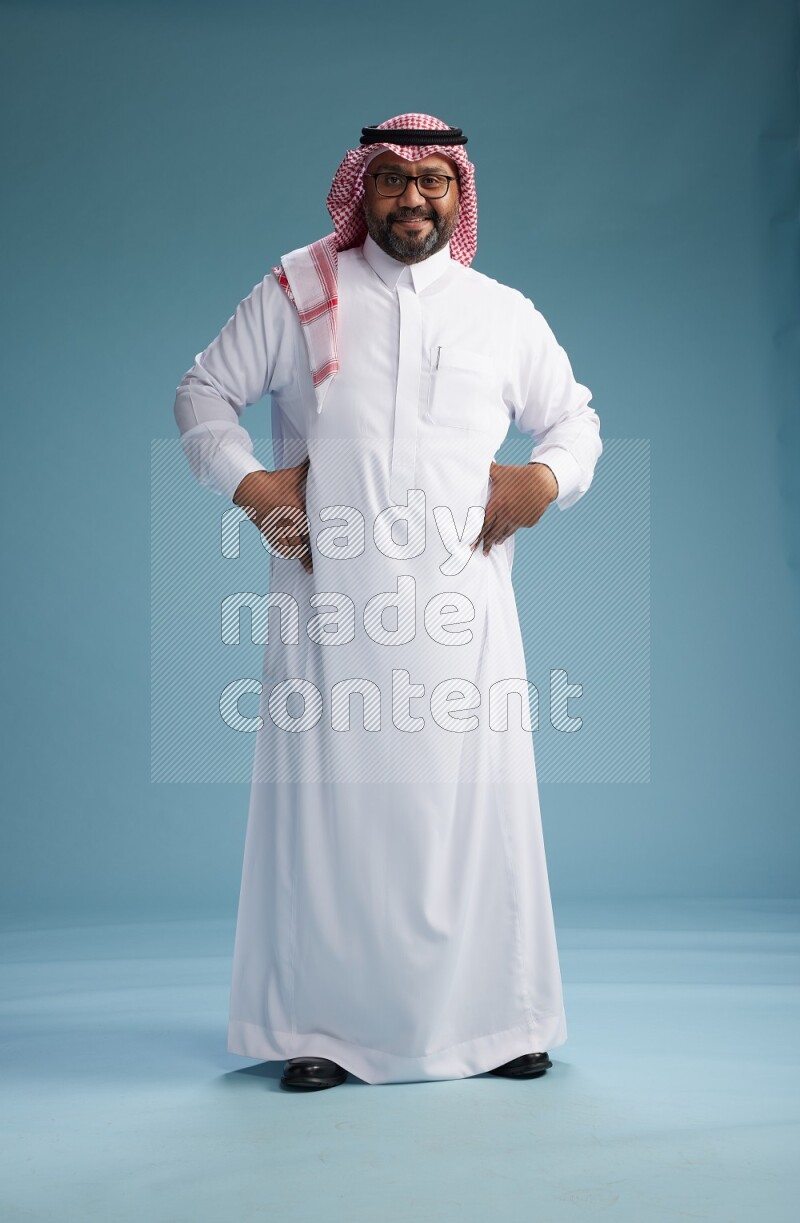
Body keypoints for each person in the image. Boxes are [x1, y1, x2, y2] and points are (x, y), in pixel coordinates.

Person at [173, 113, 602, 1092]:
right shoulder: (297, 290)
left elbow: (572, 417)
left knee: (475, 820)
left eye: (433, 180)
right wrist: (255, 487)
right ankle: (323, 1028)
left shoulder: (499, 311)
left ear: (460, 193)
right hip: (333, 620)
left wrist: (541, 483)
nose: (413, 198)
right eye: (393, 180)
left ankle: (500, 1023)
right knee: (334, 827)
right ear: (360, 189)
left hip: (464, 624)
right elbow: (202, 394)